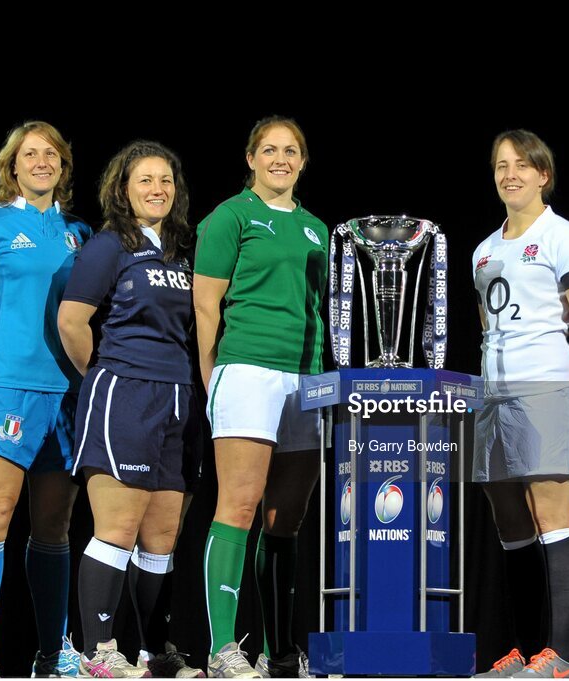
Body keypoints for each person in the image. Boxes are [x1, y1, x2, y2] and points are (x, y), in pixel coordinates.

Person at [0, 121, 91, 678]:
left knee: (54, 524)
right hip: (7, 389)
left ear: (62, 165)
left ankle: (52, 652)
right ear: (12, 164)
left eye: (51, 153)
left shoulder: (80, 232)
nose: (42, 161)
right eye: (31, 153)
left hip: (69, 393)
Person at [57, 141, 202, 678]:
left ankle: (155, 652)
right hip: (124, 392)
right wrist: (104, 374)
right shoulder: (108, 246)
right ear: (123, 189)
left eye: (165, 180)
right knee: (116, 528)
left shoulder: (180, 251)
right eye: (145, 180)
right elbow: (72, 321)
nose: (157, 189)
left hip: (178, 398)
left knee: (161, 537)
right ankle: (100, 651)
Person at [194, 116, 327, 679]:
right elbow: (205, 308)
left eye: (290, 150)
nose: (280, 159)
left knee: (286, 518)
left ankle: (282, 654)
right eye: (269, 150)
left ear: (302, 160)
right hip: (247, 369)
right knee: (240, 506)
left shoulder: (319, 229)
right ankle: (224, 648)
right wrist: (213, 379)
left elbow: (323, 311)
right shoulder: (230, 217)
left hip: (308, 379)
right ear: (250, 158)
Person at [471, 129, 569, 679]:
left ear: (543, 175)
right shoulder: (483, 249)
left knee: (554, 520)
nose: (511, 174)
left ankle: (563, 656)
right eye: (502, 165)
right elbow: (486, 324)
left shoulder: (563, 236)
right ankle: (523, 652)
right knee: (511, 527)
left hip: (548, 387)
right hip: (492, 396)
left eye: (522, 165)